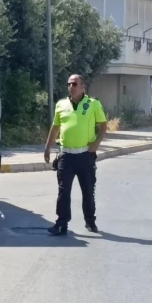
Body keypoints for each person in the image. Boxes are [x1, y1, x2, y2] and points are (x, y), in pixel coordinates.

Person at [43, 74, 107, 236]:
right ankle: (61, 223)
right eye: (69, 84)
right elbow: (55, 126)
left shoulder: (93, 104)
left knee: (87, 190)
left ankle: (90, 221)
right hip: (66, 155)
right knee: (63, 191)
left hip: (85, 155)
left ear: (83, 86)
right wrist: (47, 147)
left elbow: (103, 125)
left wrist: (96, 144)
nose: (71, 86)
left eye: (75, 84)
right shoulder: (61, 104)